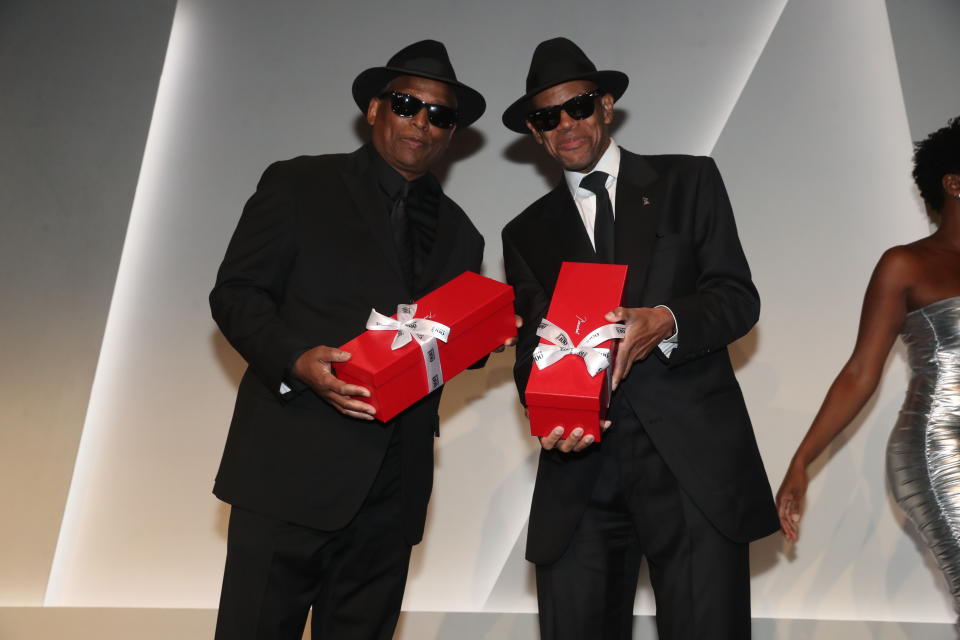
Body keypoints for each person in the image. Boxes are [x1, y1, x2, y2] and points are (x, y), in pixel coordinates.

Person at [209, 40, 490, 640]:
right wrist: (295, 359)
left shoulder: (463, 236)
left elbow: (437, 345)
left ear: (452, 133)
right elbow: (236, 294)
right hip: (288, 472)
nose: (422, 122)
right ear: (373, 109)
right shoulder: (297, 184)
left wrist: (486, 339)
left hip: (393, 491)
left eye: (440, 114)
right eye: (407, 104)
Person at [501, 38, 778, 640]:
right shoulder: (525, 232)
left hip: (690, 464)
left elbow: (737, 297)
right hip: (580, 472)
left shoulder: (688, 180)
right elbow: (533, 353)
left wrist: (667, 320)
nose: (566, 125)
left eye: (577, 106)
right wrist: (543, 401)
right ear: (535, 131)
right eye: (547, 117)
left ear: (605, 105)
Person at [777, 117, 960, 616]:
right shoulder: (908, 264)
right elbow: (861, 371)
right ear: (953, 183)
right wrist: (802, 460)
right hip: (944, 446)